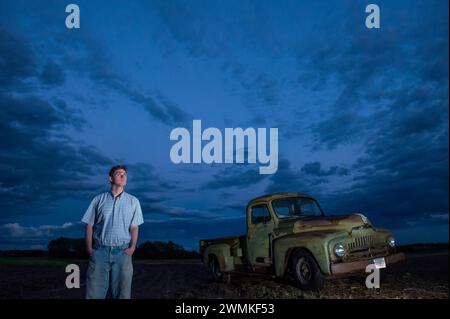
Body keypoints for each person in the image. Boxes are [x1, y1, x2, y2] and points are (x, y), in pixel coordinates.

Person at [81, 165, 144, 299]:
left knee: (122, 295)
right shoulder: (98, 200)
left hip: (123, 252)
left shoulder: (134, 201)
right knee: (94, 295)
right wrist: (90, 249)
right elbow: (89, 225)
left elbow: (134, 227)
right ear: (110, 178)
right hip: (100, 252)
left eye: (125, 174)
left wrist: (132, 248)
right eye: (119, 173)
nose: (123, 176)